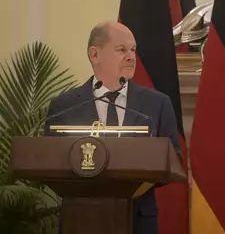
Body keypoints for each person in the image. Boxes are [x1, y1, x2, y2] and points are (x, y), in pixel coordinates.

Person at [45, 21, 181, 234]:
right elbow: (50, 162)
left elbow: (175, 159)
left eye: (133, 50)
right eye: (121, 50)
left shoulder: (157, 104)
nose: (130, 56)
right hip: (80, 219)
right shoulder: (64, 106)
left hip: (138, 219)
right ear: (94, 55)